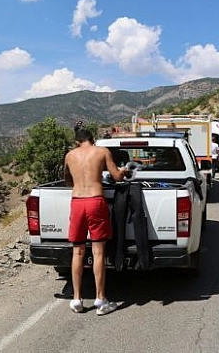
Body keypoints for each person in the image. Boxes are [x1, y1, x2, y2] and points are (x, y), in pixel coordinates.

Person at [64, 120, 128, 315]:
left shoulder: (70, 155)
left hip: (77, 202)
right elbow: (117, 177)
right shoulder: (101, 152)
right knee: (98, 252)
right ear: (92, 138)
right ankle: (101, 300)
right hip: (95, 201)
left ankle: (76, 299)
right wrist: (124, 171)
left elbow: (68, 180)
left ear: (76, 142)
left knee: (78, 252)